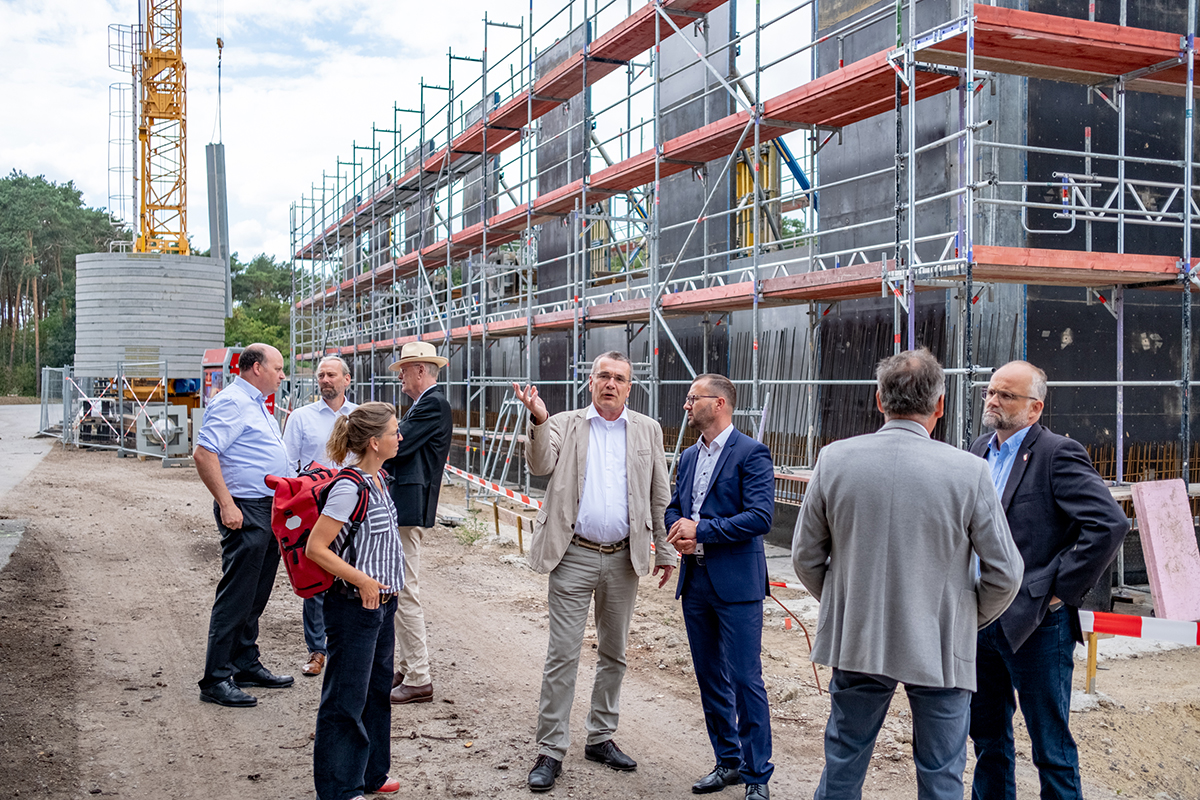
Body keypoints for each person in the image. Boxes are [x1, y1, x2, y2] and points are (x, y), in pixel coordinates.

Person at [793, 348, 1023, 800]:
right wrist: (963, 618)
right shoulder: (970, 471)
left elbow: (805, 557)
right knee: (940, 776)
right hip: (939, 647)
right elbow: (1006, 573)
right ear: (940, 406)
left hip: (859, 639)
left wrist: (849, 602)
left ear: (879, 400)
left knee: (843, 762)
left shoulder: (834, 459)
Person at [512, 351, 674, 792]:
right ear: (590, 382)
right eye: (603, 375)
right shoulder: (564, 423)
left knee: (615, 653)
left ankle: (601, 736)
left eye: (619, 378)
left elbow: (660, 492)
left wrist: (666, 551)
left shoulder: (648, 429)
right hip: (573, 554)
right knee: (562, 654)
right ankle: (550, 748)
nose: (610, 383)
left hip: (624, 557)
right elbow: (541, 465)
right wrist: (540, 420)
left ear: (629, 386)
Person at [968, 360, 1129, 800]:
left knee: (1051, 748)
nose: (993, 400)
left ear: (1035, 408)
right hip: (981, 618)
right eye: (991, 391)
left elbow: (1109, 524)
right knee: (988, 742)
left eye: (1006, 395)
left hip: (1036, 623)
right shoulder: (980, 448)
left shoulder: (1057, 452)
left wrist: (1057, 590)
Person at [664, 374, 776, 800]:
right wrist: (679, 526)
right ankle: (727, 761)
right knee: (710, 677)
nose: (687, 405)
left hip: (736, 585)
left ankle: (757, 776)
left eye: (693, 398)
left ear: (720, 403)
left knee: (746, 681)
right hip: (696, 582)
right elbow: (677, 505)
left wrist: (703, 530)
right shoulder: (690, 456)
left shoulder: (751, 453)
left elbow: (760, 517)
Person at [306, 402, 405, 800]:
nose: (400, 437)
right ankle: (338, 788)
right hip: (353, 607)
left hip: (382, 605)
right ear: (373, 442)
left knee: (376, 693)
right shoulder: (350, 486)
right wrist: (363, 579)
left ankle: (371, 775)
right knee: (345, 699)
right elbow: (317, 547)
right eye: (395, 432)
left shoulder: (380, 479)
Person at [193, 343, 295, 708]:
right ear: (255, 368)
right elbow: (204, 453)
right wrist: (226, 503)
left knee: (256, 592)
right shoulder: (233, 402)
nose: (282, 375)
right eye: (278, 368)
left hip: (268, 508)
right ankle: (216, 677)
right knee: (237, 595)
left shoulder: (255, 403)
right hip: (245, 509)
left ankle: (245, 662)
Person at [383, 341, 453, 704]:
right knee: (399, 587)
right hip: (406, 504)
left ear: (421, 371)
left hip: (408, 505)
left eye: (404, 371)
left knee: (404, 588)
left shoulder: (432, 404)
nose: (401, 378)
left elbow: (398, 445)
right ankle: (410, 667)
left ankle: (420, 675)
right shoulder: (425, 405)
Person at [282, 355, 357, 678]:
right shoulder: (301, 418)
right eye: (321, 375)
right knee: (315, 577)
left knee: (352, 574)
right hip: (315, 506)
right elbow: (288, 464)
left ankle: (348, 644)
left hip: (354, 505)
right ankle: (317, 650)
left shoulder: (360, 417)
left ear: (346, 380)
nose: (325, 380)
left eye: (331, 375)